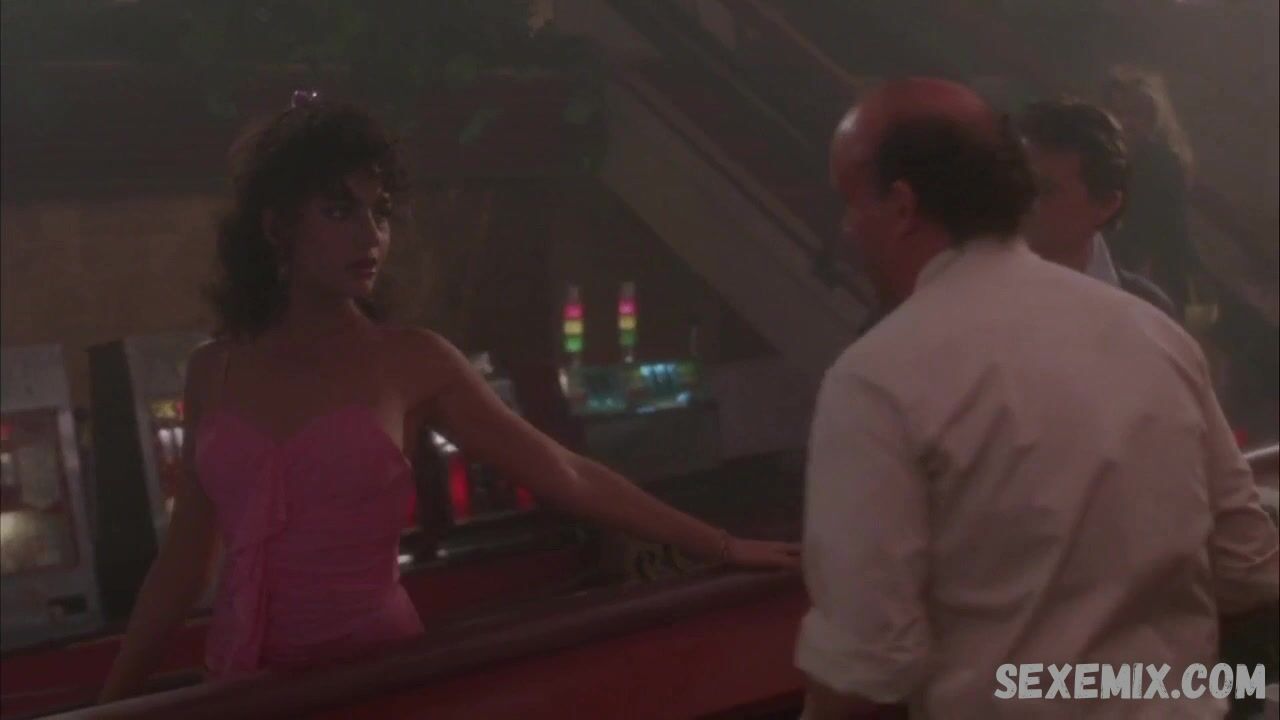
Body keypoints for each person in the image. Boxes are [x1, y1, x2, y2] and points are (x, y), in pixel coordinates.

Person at [99, 95, 799, 701]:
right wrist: (111, 702)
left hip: (377, 681)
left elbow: (565, 473)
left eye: (380, 211)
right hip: (243, 690)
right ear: (276, 227)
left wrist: (722, 544)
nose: (371, 235)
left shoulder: (411, 361)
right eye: (339, 210)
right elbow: (184, 564)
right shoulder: (213, 370)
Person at [797, 78, 1278, 719]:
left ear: (904, 206)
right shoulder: (1154, 332)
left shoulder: (876, 377)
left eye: (853, 204)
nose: (847, 230)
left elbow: (861, 672)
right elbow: (1246, 565)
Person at [1017, 98, 1176, 318]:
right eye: (1016, 180)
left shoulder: (1145, 313)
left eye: (1046, 190)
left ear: (1106, 204)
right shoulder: (973, 279)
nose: (1020, 198)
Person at [1102, 66, 1197, 317]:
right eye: (1118, 112)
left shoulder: (1162, 166)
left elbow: (1169, 236)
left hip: (1137, 276)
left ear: (1153, 118)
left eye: (1135, 113)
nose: (1125, 122)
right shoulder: (1096, 156)